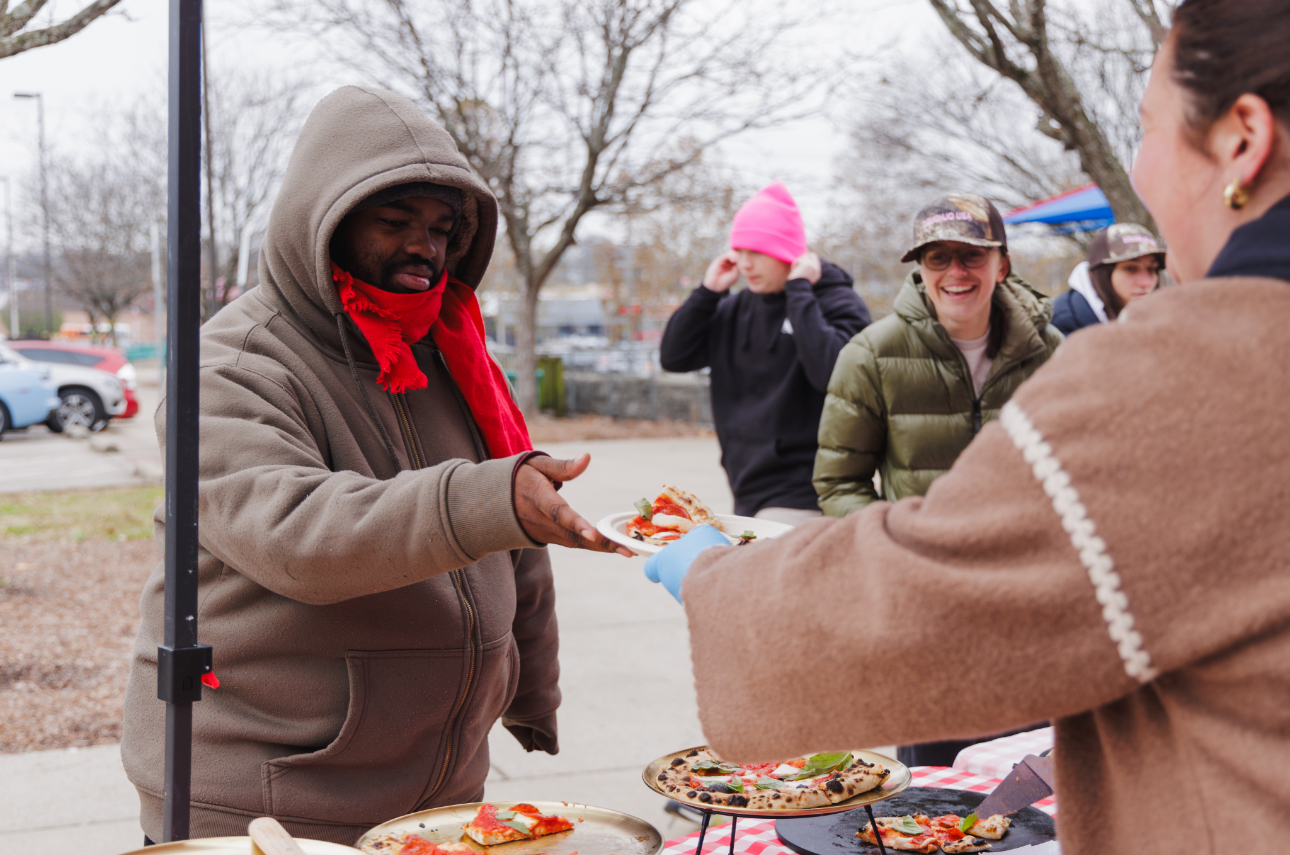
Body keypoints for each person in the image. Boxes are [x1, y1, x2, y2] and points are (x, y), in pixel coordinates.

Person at [641, 0, 1290, 851]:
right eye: (939, 257)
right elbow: (839, 475)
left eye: (1148, 126)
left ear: (1242, 137)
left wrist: (714, 578)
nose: (1141, 168)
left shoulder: (1179, 372)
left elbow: (927, 604)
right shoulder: (874, 351)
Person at [121, 86, 628, 844]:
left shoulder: (450, 353)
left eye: (441, 228)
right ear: (321, 223)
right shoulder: (231, 365)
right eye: (394, 223)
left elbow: (509, 537)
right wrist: (488, 498)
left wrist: (531, 689)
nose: (423, 246)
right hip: (274, 793)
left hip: (440, 783)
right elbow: (295, 535)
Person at [813, 193, 1062, 519]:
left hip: (1026, 556)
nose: (955, 271)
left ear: (1002, 266)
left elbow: (1080, 463)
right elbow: (839, 483)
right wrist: (895, 544)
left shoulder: (1050, 351)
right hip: (921, 558)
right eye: (938, 257)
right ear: (921, 268)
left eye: (972, 255)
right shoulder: (870, 356)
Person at [659, 182, 871, 524]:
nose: (745, 264)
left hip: (812, 491)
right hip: (746, 483)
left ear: (789, 252)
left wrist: (799, 292)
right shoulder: (735, 306)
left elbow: (834, 374)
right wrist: (707, 292)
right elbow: (674, 357)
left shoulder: (835, 301)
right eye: (739, 251)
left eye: (757, 251)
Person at [1052, 223, 1165, 335]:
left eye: (1151, 269)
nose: (1146, 283)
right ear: (1102, 274)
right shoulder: (1066, 325)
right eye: (1131, 268)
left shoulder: (1163, 317)